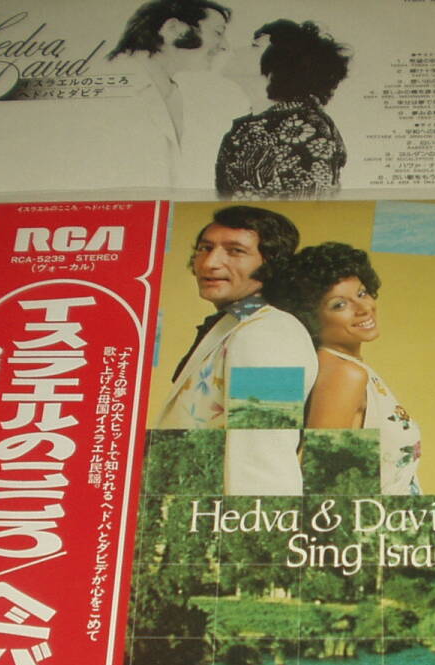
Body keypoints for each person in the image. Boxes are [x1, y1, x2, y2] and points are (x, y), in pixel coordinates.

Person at [154, 206, 318, 495]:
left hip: (222, 517)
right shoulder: (236, 324)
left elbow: (263, 459)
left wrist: (252, 524)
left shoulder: (269, 333)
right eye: (205, 248)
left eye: (235, 251)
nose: (210, 263)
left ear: (271, 263)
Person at [265, 243, 421, 495]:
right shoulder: (343, 374)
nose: (364, 308)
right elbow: (326, 489)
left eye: (362, 293)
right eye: (339, 305)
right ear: (310, 318)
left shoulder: (348, 366)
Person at [108, 0, 247, 184]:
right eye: (218, 32)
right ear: (173, 29)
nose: (225, 46)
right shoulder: (113, 86)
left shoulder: (171, 91)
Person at [215, 20, 350, 198]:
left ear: (282, 64)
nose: (236, 50)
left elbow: (307, 204)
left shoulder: (306, 127)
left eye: (255, 46)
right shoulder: (246, 128)